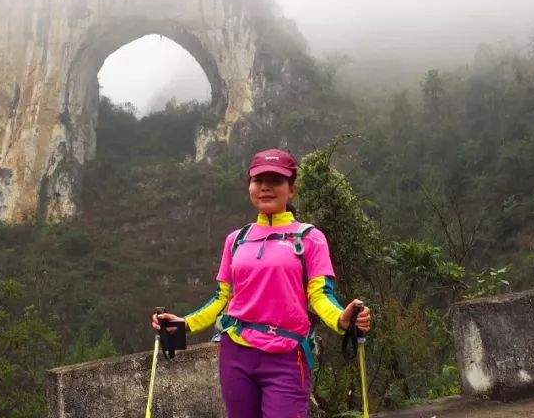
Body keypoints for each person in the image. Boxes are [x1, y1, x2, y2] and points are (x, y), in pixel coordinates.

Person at [151, 148, 372, 418]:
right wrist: (184, 324)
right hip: (236, 353)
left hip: (287, 354)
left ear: (292, 189)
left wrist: (342, 319)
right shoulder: (237, 239)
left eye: (276, 180)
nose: (265, 187)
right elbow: (222, 297)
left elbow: (319, 294)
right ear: (250, 186)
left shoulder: (310, 238)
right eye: (258, 180)